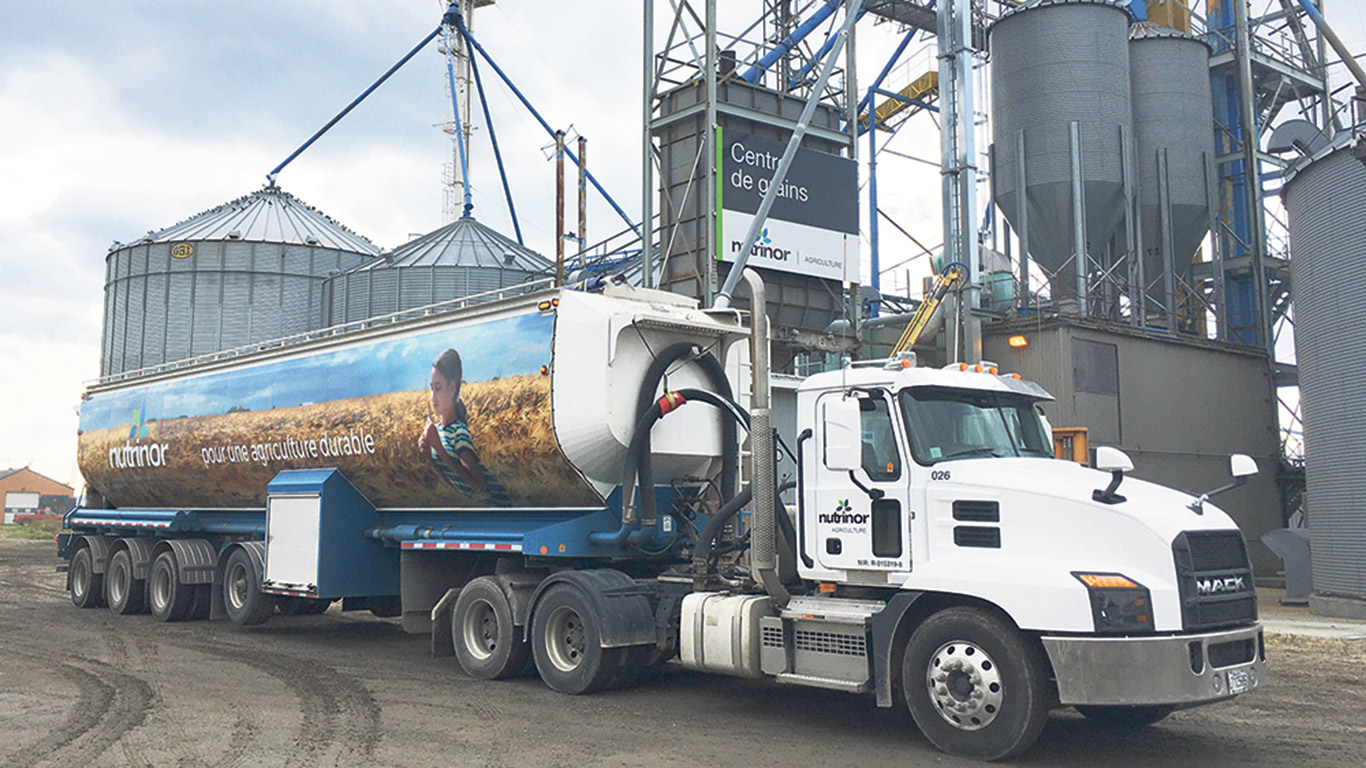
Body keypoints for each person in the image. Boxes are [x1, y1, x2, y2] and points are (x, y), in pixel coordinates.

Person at [418, 348, 512, 506]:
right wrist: (429, 456)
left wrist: (439, 450)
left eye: (438, 388)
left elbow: (481, 488)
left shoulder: (459, 432)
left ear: (452, 388)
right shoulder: (439, 430)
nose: (432, 397)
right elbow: (455, 483)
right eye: (431, 388)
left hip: (498, 507)